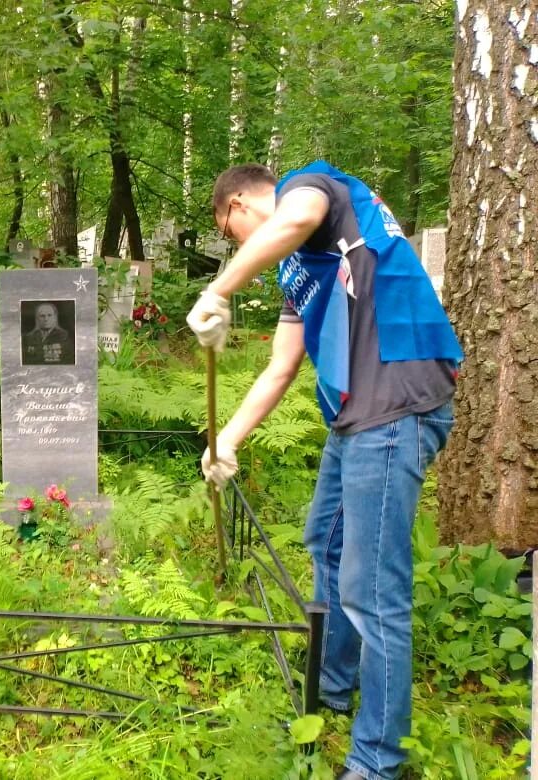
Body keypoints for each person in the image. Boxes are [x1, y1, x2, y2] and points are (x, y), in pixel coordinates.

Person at [187, 161, 462, 780]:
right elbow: (282, 367)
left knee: (373, 591)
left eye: (232, 234)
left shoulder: (316, 189)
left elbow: (299, 216)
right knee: (326, 542)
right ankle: (332, 685)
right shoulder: (298, 270)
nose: (242, 245)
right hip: (355, 414)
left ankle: (376, 761)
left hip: (395, 405)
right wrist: (224, 441)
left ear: (237, 207)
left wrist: (220, 288)